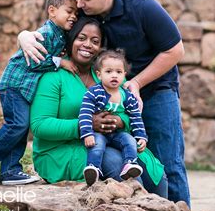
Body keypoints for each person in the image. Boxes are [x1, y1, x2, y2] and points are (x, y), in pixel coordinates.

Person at [19, 0, 190, 205]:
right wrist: (23, 36)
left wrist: (136, 84)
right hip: (116, 95)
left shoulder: (142, 6)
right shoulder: (88, 15)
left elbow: (175, 51)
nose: (79, 4)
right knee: (128, 161)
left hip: (156, 89)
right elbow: (55, 27)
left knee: (168, 164)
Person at [30, 17, 167, 197]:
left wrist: (118, 121)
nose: (87, 45)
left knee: (155, 174)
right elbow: (40, 125)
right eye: (81, 38)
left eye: (95, 41)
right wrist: (85, 124)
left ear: (100, 46)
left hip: (110, 139)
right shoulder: (54, 77)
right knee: (120, 168)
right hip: (61, 149)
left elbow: (128, 112)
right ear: (71, 39)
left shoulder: (109, 74)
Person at [0, 0, 78, 185]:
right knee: (17, 124)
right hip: (15, 85)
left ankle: (10, 170)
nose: (73, 16)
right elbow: (35, 61)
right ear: (52, 11)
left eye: (75, 13)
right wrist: (60, 62)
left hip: (23, 89)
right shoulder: (44, 33)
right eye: (69, 11)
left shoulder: (59, 35)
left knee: (22, 127)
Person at [80, 49, 147, 186]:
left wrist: (141, 136)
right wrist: (87, 134)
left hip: (118, 134)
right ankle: (93, 168)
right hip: (99, 133)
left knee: (129, 140)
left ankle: (129, 164)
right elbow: (85, 113)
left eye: (118, 72)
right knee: (96, 145)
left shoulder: (127, 96)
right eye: (109, 71)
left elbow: (135, 117)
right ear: (99, 75)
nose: (114, 75)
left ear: (124, 75)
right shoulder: (94, 93)